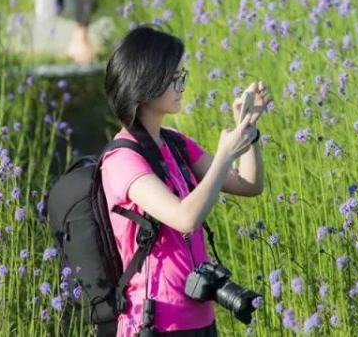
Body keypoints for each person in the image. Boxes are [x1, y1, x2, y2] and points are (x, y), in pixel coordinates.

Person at [100, 24, 271, 337]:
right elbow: (185, 217)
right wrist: (223, 155)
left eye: (183, 75)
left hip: (199, 314)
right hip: (155, 322)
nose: (182, 85)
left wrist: (248, 130)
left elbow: (249, 185)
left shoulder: (175, 143)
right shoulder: (122, 159)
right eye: (174, 77)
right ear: (146, 82)